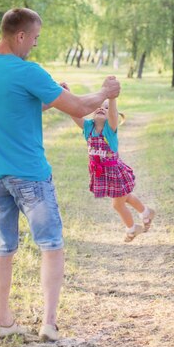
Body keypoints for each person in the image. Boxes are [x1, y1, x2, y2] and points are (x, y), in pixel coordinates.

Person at [0, 8, 121, 342]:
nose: (34, 45)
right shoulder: (29, 71)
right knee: (51, 246)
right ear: (20, 36)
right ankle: (49, 325)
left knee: (2, 248)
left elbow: (13, 107)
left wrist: (51, 99)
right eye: (34, 38)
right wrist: (106, 94)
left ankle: (4, 322)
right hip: (30, 177)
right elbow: (82, 108)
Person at [64, 93, 155, 242]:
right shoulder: (88, 128)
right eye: (98, 106)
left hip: (114, 173)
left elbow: (112, 114)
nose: (101, 108)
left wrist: (112, 97)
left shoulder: (110, 130)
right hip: (102, 173)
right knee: (126, 197)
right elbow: (73, 112)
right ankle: (146, 212)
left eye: (106, 108)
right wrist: (66, 93)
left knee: (117, 205)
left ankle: (132, 229)